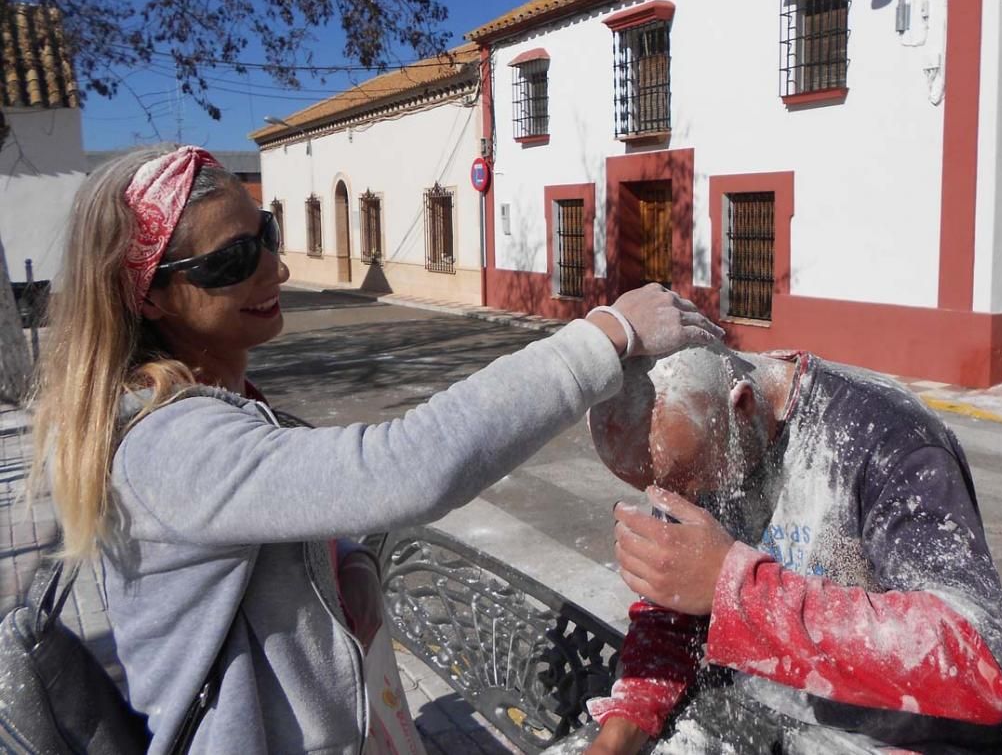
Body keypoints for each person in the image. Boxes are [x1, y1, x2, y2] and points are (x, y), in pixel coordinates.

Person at [29, 145, 722, 754]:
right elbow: (405, 466)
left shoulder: (224, 401)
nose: (274, 270)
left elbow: (287, 518)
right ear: (148, 298)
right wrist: (603, 336)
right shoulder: (171, 446)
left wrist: (348, 563)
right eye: (232, 262)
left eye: (265, 235)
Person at [581, 345, 1002, 754]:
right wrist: (622, 729)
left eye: (696, 480)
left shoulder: (884, 437)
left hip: (905, 736)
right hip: (768, 727)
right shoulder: (697, 439)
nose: (678, 501)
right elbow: (676, 610)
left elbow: (983, 662)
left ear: (742, 406)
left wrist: (734, 587)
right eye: (656, 489)